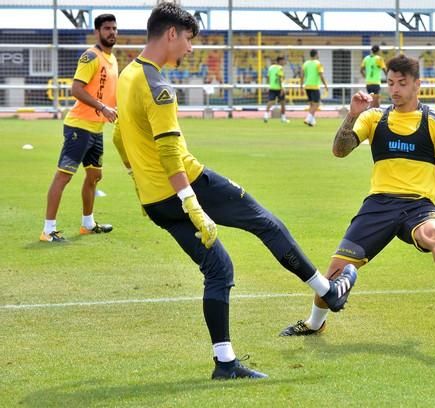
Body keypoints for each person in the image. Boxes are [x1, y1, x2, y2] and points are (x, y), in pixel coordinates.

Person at [112, 3, 356, 380]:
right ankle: (329, 291)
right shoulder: (158, 86)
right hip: (187, 186)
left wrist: (138, 182)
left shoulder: (127, 73)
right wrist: (191, 202)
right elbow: (167, 151)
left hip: (156, 201)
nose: (190, 49)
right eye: (189, 40)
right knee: (266, 223)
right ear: (172, 34)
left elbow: (118, 136)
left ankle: (225, 364)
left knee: (219, 268)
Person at [280, 54, 435, 337]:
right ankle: (314, 323)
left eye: (402, 83)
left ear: (417, 84)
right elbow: (339, 151)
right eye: (390, 82)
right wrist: (353, 114)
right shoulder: (373, 117)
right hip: (378, 205)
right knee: (333, 273)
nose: (394, 89)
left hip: (419, 205)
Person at [40, 14, 118, 242]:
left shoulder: (112, 59)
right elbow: (76, 89)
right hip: (79, 127)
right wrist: (103, 107)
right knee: (63, 176)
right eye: (107, 28)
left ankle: (88, 224)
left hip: (96, 129)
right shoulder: (90, 56)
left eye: (114, 28)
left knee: (94, 176)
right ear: (97, 32)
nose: (112, 32)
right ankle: (48, 230)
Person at [301, 49, 328, 127]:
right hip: (315, 86)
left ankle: (312, 121)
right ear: (316, 54)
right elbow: (321, 75)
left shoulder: (305, 63)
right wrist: (325, 85)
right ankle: (308, 118)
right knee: (317, 104)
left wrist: (301, 85)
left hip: (307, 86)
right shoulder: (318, 64)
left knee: (311, 104)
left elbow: (302, 75)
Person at [263, 56, 289, 123]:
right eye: (283, 61)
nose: (284, 62)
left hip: (272, 87)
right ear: (280, 61)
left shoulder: (271, 67)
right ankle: (283, 118)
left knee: (270, 101)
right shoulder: (280, 68)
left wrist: (270, 84)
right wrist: (282, 88)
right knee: (283, 103)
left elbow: (268, 77)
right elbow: (280, 78)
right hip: (279, 88)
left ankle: (266, 115)